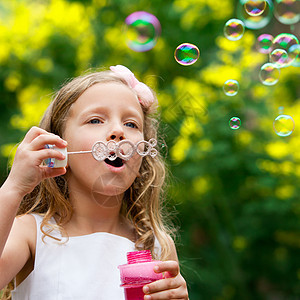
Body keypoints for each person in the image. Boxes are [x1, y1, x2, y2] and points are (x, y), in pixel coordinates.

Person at [0, 65, 189, 299]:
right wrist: (13, 188)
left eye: (131, 124)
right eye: (96, 120)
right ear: (58, 146)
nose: (118, 131)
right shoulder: (31, 233)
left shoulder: (156, 246)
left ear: (143, 155)